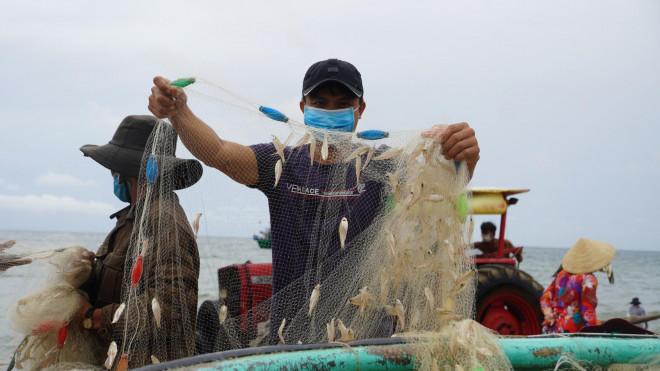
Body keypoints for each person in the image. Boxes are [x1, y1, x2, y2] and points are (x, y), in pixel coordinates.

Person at [148, 58, 480, 344]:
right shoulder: (281, 164)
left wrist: (463, 157)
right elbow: (219, 152)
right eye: (320, 102)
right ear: (304, 108)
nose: (330, 111)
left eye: (342, 104)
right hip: (290, 338)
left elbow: (440, 185)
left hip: (367, 342)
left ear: (359, 110)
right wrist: (179, 112)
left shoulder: (384, 166)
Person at [77, 115, 203, 367]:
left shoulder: (164, 221)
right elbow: (124, 284)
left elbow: (172, 307)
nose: (112, 173)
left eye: (114, 168)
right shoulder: (133, 217)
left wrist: (93, 317)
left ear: (128, 171)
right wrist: (88, 272)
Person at [540, 238, 615, 333]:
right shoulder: (588, 279)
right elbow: (587, 309)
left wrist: (548, 313)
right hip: (572, 330)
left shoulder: (560, 274)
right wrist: (592, 331)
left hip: (552, 328)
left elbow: (545, 298)